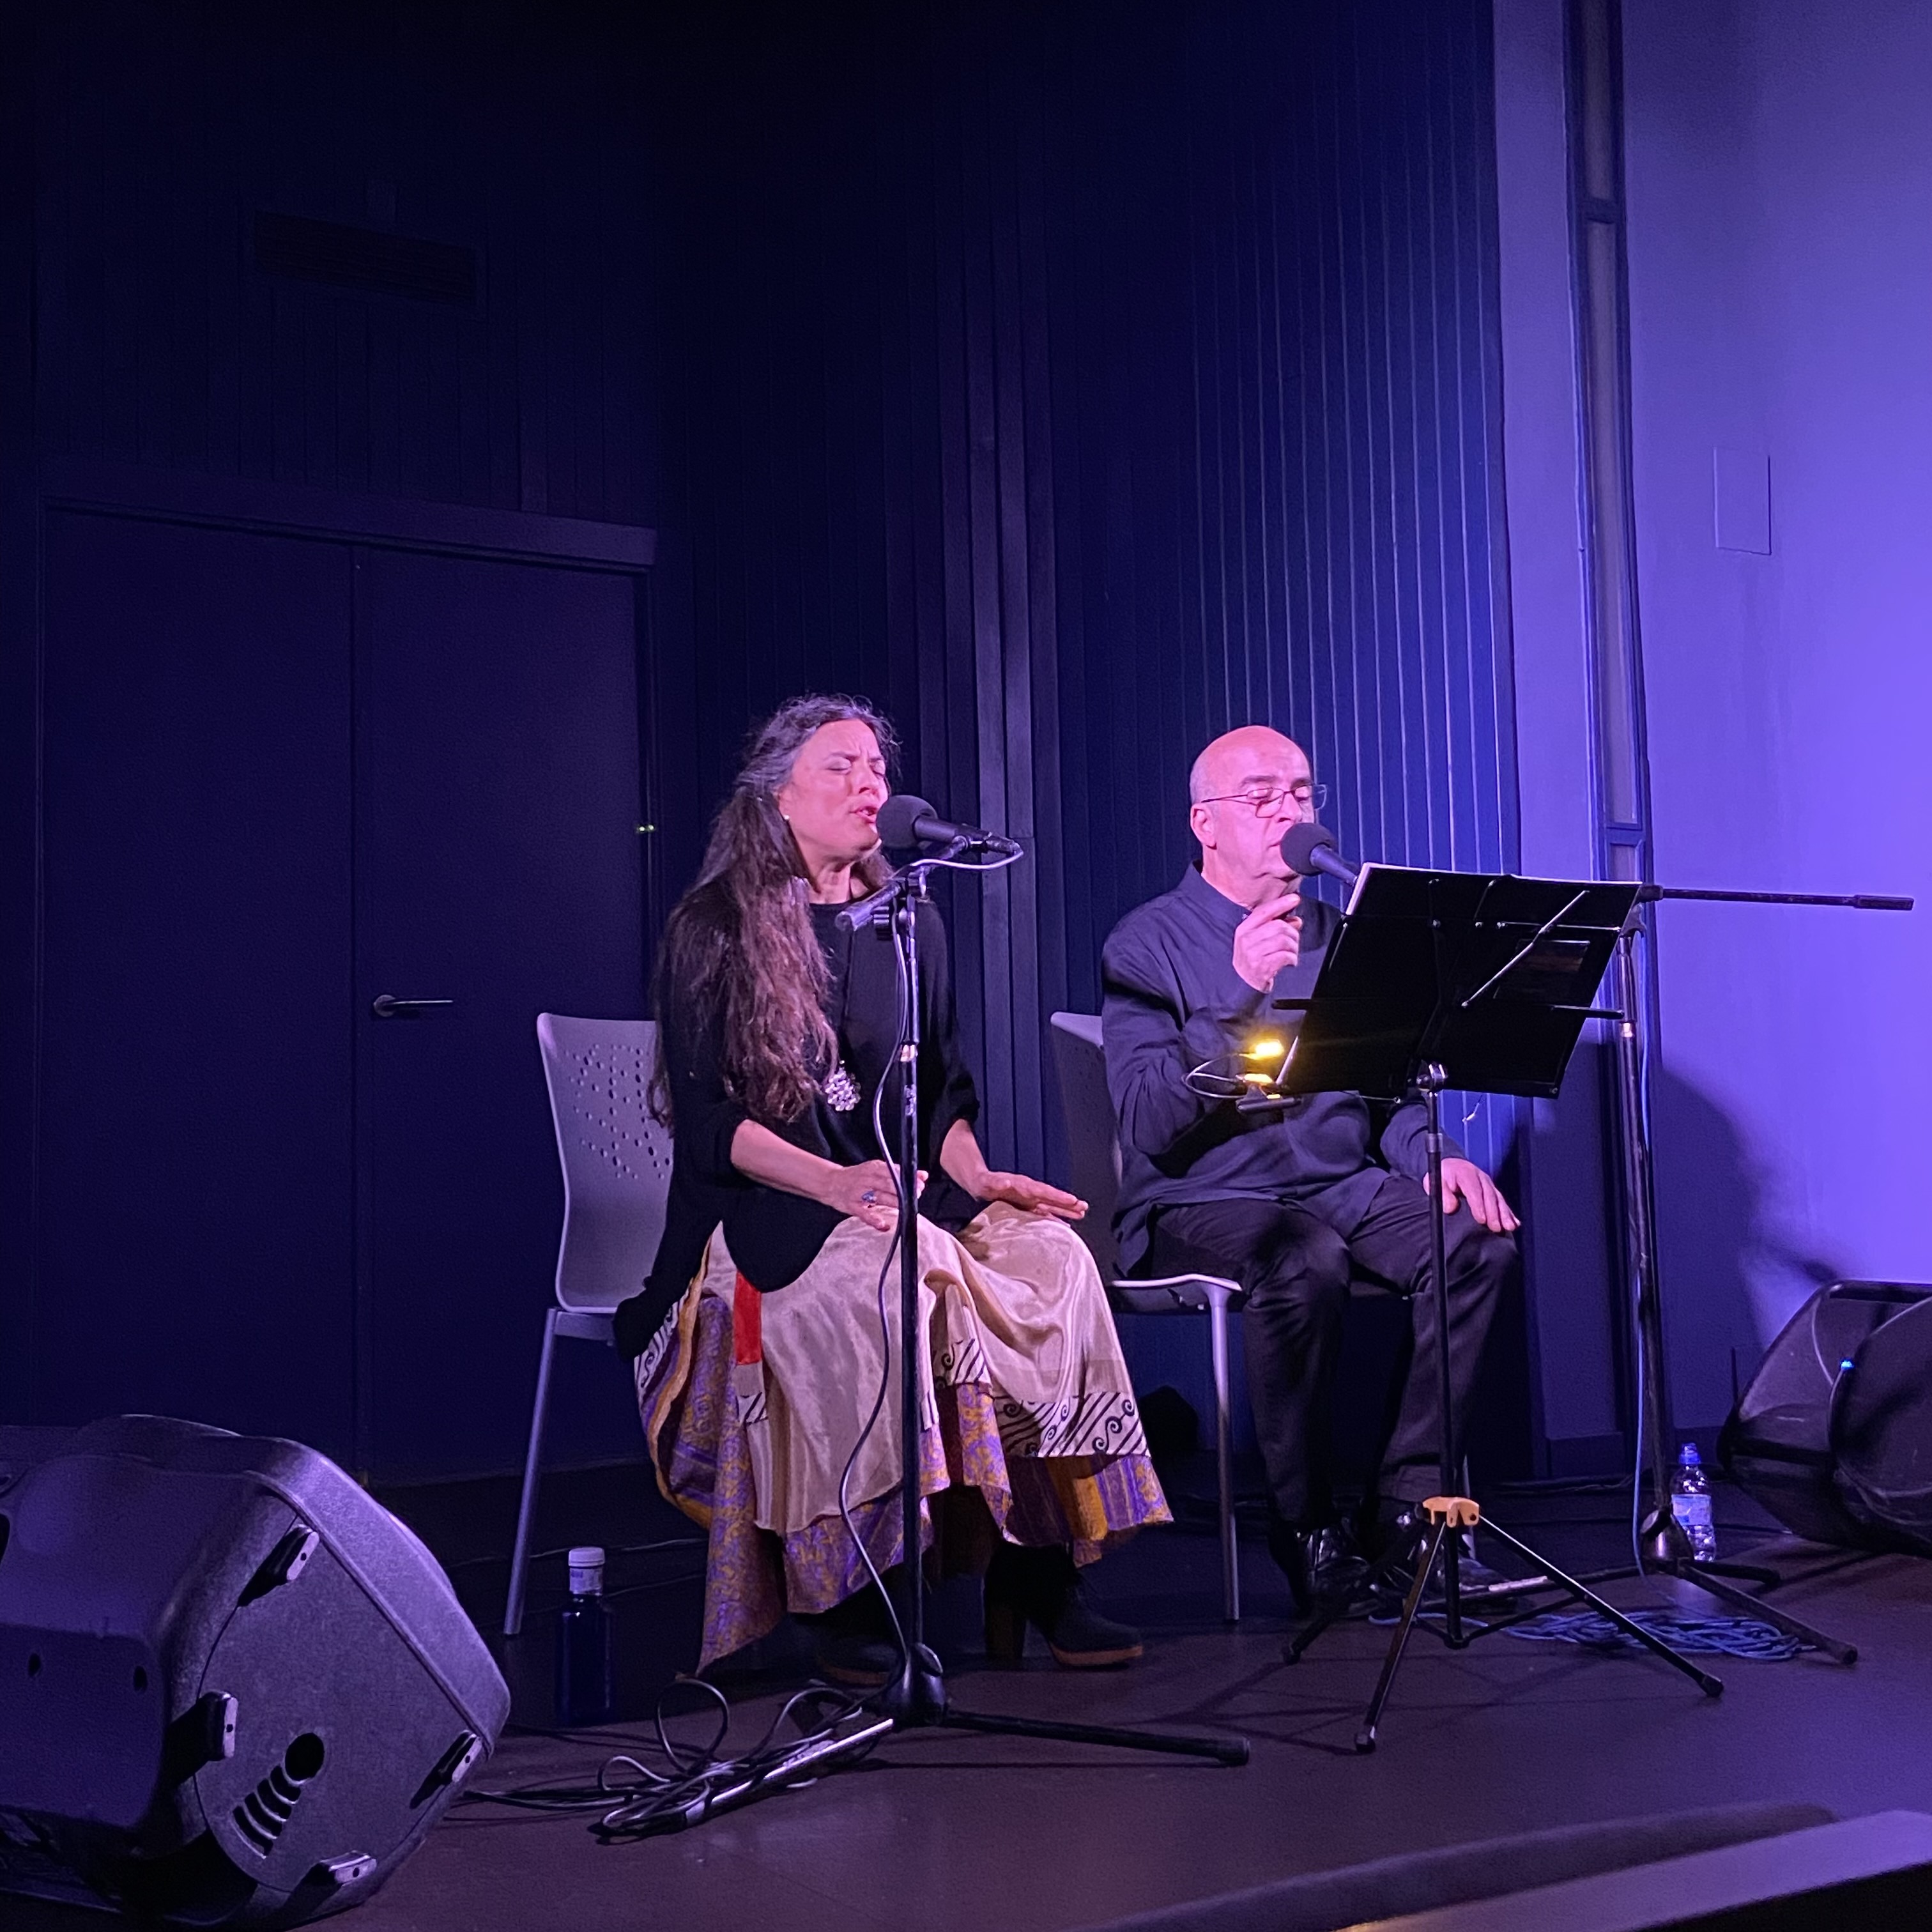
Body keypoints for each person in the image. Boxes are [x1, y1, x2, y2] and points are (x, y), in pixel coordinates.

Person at [627, 694, 1167, 1683]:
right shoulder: (715, 927)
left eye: (876, 766)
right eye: (840, 766)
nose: (869, 783)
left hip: (899, 1196)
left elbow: (940, 1095)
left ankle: (1037, 1564)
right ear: (780, 794)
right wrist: (836, 1182)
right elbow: (711, 1128)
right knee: (878, 1283)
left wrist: (981, 1176)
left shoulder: (908, 923)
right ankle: (848, 1594)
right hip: (771, 1208)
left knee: (1053, 1259)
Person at [1100, 724, 1518, 1608]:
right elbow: (1148, 1120)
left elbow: (1387, 1090)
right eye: (1263, 798)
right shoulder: (1146, 942)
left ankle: (1411, 1513)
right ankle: (1306, 1527)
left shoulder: (1339, 934)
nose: (1289, 813)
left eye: (1301, 794)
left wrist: (1435, 1157)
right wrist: (1237, 993)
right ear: (1206, 824)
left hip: (1337, 1184)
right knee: (1301, 1257)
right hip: (1202, 1194)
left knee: (1474, 1242)